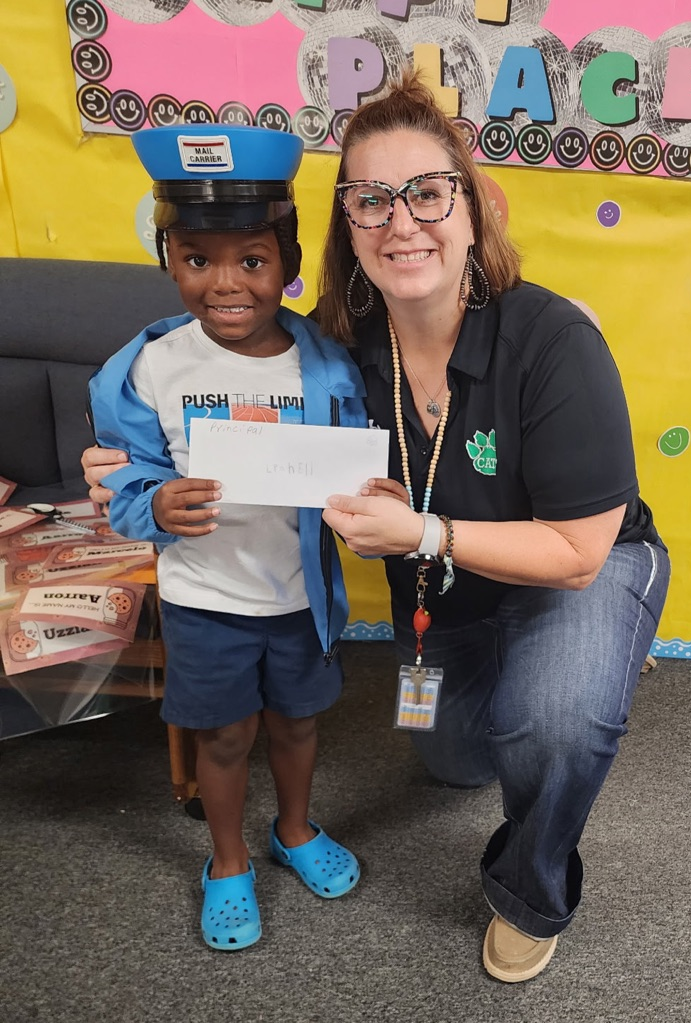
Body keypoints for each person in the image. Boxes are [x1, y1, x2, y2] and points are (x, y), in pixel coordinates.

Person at [83, 71, 670, 982]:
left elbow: (578, 548)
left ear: (473, 212)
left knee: (555, 720)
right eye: (371, 199)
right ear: (346, 228)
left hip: (577, 569)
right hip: (448, 603)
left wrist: (425, 533)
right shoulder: (336, 345)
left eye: (428, 194)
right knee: (453, 760)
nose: (402, 222)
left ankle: (532, 882)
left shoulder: (551, 339)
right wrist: (124, 458)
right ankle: (542, 679)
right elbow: (218, 342)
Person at [87, 123, 365, 952]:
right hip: (206, 596)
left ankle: (296, 828)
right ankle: (229, 861)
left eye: (252, 259)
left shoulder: (329, 365)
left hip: (295, 594)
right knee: (224, 734)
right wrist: (154, 503)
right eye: (197, 258)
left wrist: (371, 498)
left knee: (297, 724)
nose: (225, 284)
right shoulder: (143, 369)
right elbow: (124, 477)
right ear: (168, 257)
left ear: (288, 261)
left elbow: (357, 461)